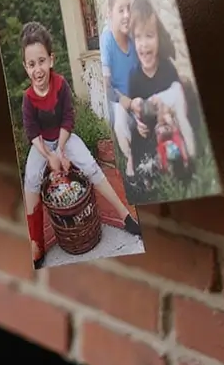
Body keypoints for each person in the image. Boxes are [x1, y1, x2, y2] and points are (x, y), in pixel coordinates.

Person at [20, 21, 141, 268]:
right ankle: (36, 241)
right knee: (31, 179)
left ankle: (125, 216)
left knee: (90, 165)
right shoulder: (28, 98)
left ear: (51, 60)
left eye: (41, 61)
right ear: (25, 67)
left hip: (64, 138)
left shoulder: (61, 85)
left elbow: (68, 119)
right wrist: (49, 155)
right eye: (31, 64)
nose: (38, 70)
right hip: (41, 144)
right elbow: (32, 132)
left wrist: (62, 150)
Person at [127, 0, 196, 172]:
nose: (144, 45)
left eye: (149, 36)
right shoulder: (134, 76)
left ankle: (186, 159)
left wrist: (170, 113)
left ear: (158, 37)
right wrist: (137, 121)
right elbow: (134, 107)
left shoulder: (167, 69)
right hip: (150, 133)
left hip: (170, 128)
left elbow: (179, 103)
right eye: (138, 37)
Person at [100, 0, 139, 177]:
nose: (126, 15)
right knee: (121, 122)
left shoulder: (133, 37)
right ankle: (131, 157)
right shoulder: (107, 41)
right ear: (110, 13)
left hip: (136, 94)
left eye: (129, 8)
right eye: (120, 10)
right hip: (118, 99)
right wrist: (125, 101)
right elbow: (107, 89)